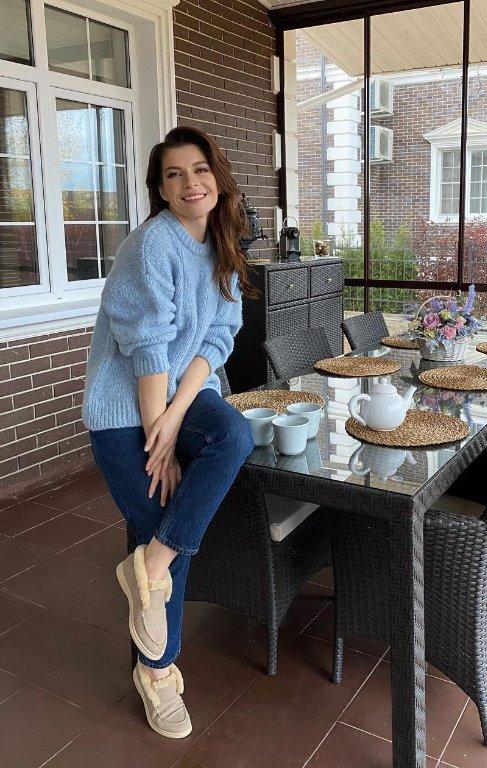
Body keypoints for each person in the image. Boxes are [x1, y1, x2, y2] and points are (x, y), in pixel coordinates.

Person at [82, 126, 256, 739]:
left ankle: (148, 568)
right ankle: (158, 674)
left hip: (177, 395)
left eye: (200, 169)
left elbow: (218, 337)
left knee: (232, 436)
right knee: (159, 516)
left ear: (217, 178)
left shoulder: (221, 245)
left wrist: (176, 419)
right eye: (174, 174)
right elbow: (148, 349)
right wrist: (159, 438)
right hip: (123, 408)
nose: (190, 183)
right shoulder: (153, 245)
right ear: (160, 189)